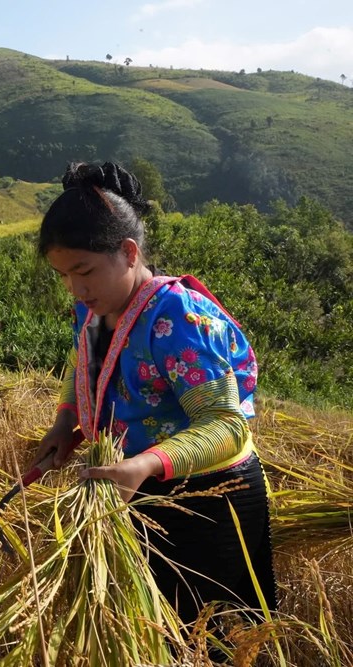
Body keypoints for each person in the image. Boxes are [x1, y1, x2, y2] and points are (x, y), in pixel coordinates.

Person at [34, 161, 277, 631]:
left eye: (83, 271)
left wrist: (144, 465)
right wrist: (67, 423)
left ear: (128, 253)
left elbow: (227, 425)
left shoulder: (177, 316)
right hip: (142, 490)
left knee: (216, 639)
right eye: (63, 276)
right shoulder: (94, 309)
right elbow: (84, 363)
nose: (75, 288)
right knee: (157, 631)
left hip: (209, 499)